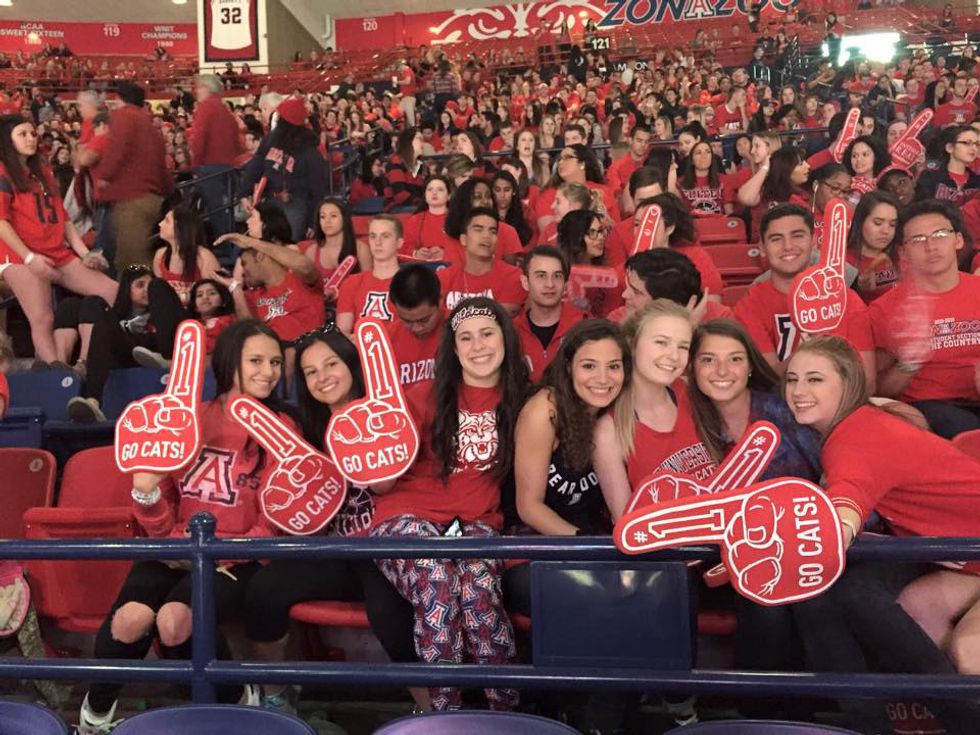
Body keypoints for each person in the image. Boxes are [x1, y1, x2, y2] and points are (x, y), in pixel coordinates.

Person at [75, 319, 292, 734]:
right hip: (176, 550)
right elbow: (159, 521)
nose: (269, 371)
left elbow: (277, 522)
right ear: (229, 362)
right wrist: (145, 493)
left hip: (235, 558)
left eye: (276, 362)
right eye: (256, 361)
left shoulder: (283, 428)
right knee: (129, 620)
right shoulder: (189, 420)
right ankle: (93, 719)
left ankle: (236, 702)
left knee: (175, 621)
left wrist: (211, 555)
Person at [785, 336, 980, 735]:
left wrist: (831, 534)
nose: (799, 391)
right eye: (792, 379)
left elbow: (848, 496)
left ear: (848, 384)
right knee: (834, 594)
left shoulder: (853, 438)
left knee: (966, 651)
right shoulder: (859, 422)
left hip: (964, 553)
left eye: (815, 379)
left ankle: (962, 721)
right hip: (958, 558)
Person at [242, 327, 419, 715]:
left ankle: (433, 708)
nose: (322, 377)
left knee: (390, 613)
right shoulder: (308, 429)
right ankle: (277, 696)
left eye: (331, 364)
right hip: (333, 550)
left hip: (383, 547)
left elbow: (397, 486)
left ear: (351, 365)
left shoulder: (388, 415)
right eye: (310, 372)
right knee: (263, 591)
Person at [369, 296, 527, 712]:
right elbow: (382, 481)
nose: (478, 346)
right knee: (435, 577)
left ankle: (505, 713)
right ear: (453, 349)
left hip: (476, 521)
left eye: (487, 334)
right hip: (406, 515)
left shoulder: (522, 401)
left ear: (505, 339)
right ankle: (445, 715)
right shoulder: (421, 394)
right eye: (466, 338)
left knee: (478, 590)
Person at [0, 114, 117, 366]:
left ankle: (87, 362)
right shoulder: (3, 173)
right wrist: (29, 258)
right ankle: (56, 374)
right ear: (7, 140)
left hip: (57, 252)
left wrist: (85, 253)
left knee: (112, 292)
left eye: (32, 133)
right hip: (19, 255)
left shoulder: (43, 172)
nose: (30, 139)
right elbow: (1, 222)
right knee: (42, 319)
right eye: (22, 134)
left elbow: (63, 219)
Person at [592, 299, 716, 522]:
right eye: (661, 342)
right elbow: (627, 524)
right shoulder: (609, 430)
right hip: (668, 542)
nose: (674, 356)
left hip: (723, 531)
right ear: (631, 344)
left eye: (683, 346)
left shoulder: (691, 392)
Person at [866, 199, 980, 438]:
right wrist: (908, 363)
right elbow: (877, 392)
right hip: (928, 410)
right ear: (903, 252)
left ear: (958, 240)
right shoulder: (884, 310)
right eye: (918, 239)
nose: (930, 246)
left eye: (940, 234)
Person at [734, 203, 874, 383]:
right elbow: (769, 380)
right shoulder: (750, 305)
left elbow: (868, 382)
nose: (788, 246)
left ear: (814, 241)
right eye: (776, 239)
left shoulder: (848, 300)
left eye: (797, 236)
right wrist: (811, 340)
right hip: (781, 398)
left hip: (840, 399)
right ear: (762, 247)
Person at [94, 82, 173, 270]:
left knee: (132, 262)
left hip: (132, 198)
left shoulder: (124, 117)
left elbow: (116, 151)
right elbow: (161, 164)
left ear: (119, 99)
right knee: (131, 256)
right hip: (152, 197)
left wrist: (103, 177)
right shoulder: (149, 125)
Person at [239, 96, 325, 241]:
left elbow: (317, 190)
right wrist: (243, 193)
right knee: (266, 242)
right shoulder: (271, 140)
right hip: (270, 201)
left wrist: (312, 221)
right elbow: (256, 165)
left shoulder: (310, 152)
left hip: (296, 203)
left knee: (289, 244)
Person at [514, 246, 586, 381]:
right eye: (541, 276)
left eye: (557, 276)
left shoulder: (584, 327)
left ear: (565, 284)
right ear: (525, 282)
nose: (550, 284)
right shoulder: (512, 332)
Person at [437, 208, 525, 315]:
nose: (486, 236)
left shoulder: (513, 276)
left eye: (492, 231)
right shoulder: (443, 278)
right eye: (478, 229)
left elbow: (502, 318)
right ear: (463, 239)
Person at [189, 75, 240, 238]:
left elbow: (199, 139)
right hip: (227, 166)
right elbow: (236, 140)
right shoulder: (225, 110)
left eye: (198, 87)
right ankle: (230, 243)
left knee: (215, 212)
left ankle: (222, 244)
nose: (196, 91)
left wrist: (195, 165)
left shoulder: (205, 108)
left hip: (209, 167)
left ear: (207, 88)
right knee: (225, 210)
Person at [336, 214, 401, 334]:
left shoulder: (408, 282)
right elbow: (343, 331)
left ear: (399, 242)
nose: (378, 242)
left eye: (385, 236)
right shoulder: (351, 282)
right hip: (359, 344)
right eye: (373, 236)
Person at [534, 144, 619, 233]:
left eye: (567, 157)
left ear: (582, 163)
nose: (560, 162)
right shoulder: (549, 195)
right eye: (560, 159)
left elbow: (616, 228)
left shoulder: (604, 191)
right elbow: (548, 232)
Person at [297, 197, 370, 297]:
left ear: (344, 219)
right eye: (322, 217)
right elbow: (305, 290)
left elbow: (368, 287)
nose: (327, 221)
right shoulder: (311, 252)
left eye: (333, 216)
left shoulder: (361, 249)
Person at [386, 264, 444, 389]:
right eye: (407, 321)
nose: (417, 328)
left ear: (440, 300)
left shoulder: (460, 331)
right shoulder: (386, 340)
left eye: (424, 320)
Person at [152, 202, 221, 307]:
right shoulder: (160, 255)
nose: (160, 224)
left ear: (180, 228)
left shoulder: (203, 256)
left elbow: (215, 295)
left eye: (167, 221)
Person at [737, 146, 811, 241]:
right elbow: (745, 198)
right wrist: (765, 167)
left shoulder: (806, 194)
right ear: (785, 169)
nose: (808, 166)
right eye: (800, 164)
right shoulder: (764, 192)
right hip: (763, 247)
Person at [845, 191, 900, 303]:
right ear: (860, 222)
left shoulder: (902, 256)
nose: (886, 231)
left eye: (892, 225)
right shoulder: (843, 262)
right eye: (878, 223)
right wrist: (858, 288)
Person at [914, 125, 980, 205]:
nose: (974, 148)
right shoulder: (930, 176)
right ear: (950, 147)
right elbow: (922, 207)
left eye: (976, 144)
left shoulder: (977, 181)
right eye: (966, 143)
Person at [400, 175, 456, 260]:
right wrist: (416, 253)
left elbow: (466, 247)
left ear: (449, 196)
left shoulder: (458, 219)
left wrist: (447, 253)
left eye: (440, 189)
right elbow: (403, 247)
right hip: (421, 265)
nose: (434, 193)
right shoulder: (415, 220)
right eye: (430, 189)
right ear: (425, 196)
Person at [676, 141, 733, 216]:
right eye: (699, 153)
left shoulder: (724, 180)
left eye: (708, 152)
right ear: (692, 160)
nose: (704, 156)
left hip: (718, 221)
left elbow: (729, 213)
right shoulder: (680, 183)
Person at [185, 278, 235, 356]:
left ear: (223, 301)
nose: (205, 297)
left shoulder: (229, 323)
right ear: (195, 307)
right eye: (199, 295)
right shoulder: (190, 326)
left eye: (212, 293)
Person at [605, 124, 652, 201]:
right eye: (639, 140)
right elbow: (616, 196)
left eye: (646, 142)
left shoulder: (652, 163)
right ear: (630, 140)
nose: (643, 145)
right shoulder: (616, 167)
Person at [383, 127, 424, 211]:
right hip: (397, 209)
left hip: (413, 207)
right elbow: (399, 194)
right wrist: (421, 203)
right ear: (408, 141)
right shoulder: (395, 162)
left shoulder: (419, 166)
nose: (423, 142)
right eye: (419, 138)